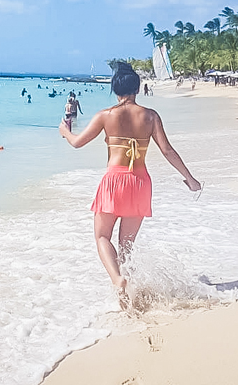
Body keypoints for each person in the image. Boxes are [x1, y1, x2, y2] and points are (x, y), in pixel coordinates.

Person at [59, 62, 202, 306]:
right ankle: (128, 290)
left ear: (115, 90)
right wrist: (190, 179)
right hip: (140, 183)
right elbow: (167, 150)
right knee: (126, 246)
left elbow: (77, 143)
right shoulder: (150, 116)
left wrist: (64, 131)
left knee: (103, 237)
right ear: (136, 89)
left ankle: (118, 281)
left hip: (115, 180)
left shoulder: (106, 115)